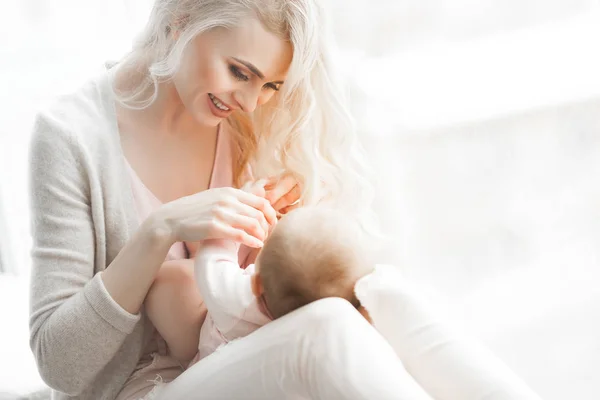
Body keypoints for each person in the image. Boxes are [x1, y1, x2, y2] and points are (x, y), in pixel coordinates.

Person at [28, 0, 543, 399]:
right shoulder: (71, 135)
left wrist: (274, 248)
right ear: (181, 18)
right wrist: (160, 230)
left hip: (237, 359)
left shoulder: (245, 123)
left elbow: (251, 301)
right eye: (240, 71)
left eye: (271, 84)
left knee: (382, 290)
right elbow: (60, 365)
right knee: (326, 331)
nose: (251, 101)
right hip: (141, 391)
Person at [146, 203, 375, 368]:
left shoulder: (238, 302)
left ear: (256, 283)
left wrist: (235, 218)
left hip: (214, 375)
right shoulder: (324, 331)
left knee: (171, 280)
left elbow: (213, 262)